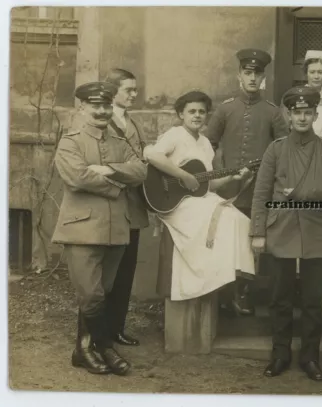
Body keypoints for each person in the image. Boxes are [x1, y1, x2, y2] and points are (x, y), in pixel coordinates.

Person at [251, 86, 322, 381]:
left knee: (313, 299)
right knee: (280, 297)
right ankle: (280, 354)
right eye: (297, 113)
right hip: (282, 229)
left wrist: (306, 195)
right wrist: (258, 232)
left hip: (316, 230)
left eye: (308, 112)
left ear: (316, 115)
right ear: (288, 115)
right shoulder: (276, 149)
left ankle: (310, 358)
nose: (302, 117)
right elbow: (261, 192)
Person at [52, 82, 147, 375]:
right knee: (90, 294)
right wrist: (119, 183)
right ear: (82, 108)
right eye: (96, 106)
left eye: (106, 106)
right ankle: (104, 347)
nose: (102, 111)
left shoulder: (121, 141)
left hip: (116, 228)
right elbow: (77, 178)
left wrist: (108, 170)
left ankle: (83, 349)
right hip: (82, 230)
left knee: (102, 292)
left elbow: (141, 170)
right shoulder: (70, 141)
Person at [143, 91, 255, 302]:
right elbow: (151, 155)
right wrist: (184, 176)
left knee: (241, 220)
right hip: (173, 202)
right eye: (191, 111)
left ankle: (221, 277)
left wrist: (233, 177)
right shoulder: (175, 135)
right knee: (228, 218)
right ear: (181, 114)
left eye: (202, 112)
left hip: (197, 200)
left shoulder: (205, 143)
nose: (197, 116)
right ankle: (206, 278)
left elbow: (207, 184)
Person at [205, 48, 289, 315]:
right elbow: (207, 146)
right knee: (230, 241)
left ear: (263, 76)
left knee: (257, 242)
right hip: (229, 190)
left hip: (259, 191)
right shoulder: (225, 109)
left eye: (257, 73)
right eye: (248, 72)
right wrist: (218, 174)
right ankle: (228, 294)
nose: (253, 78)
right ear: (239, 74)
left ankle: (249, 294)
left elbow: (285, 150)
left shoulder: (273, 112)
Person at [102, 68, 147, 347]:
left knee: (126, 272)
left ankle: (117, 327)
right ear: (112, 91)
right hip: (111, 206)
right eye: (128, 89)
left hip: (133, 207)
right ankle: (100, 333)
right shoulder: (102, 122)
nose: (134, 94)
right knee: (106, 275)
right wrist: (131, 171)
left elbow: (141, 162)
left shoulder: (134, 123)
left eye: (135, 89)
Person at [282, 50, 322, 138]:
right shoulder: (293, 98)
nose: (316, 76)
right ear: (306, 73)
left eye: (320, 72)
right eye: (312, 72)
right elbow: (284, 130)